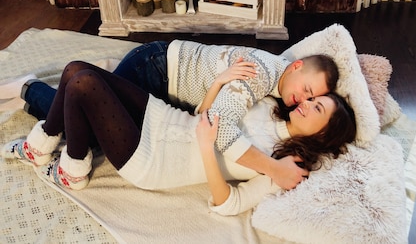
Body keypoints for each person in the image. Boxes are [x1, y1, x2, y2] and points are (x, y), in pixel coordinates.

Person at [0, 39, 339, 189]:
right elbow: (217, 127)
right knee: (86, 123)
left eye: (314, 102)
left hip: (164, 92)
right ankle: (33, 98)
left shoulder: (273, 93)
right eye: (308, 91)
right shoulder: (263, 73)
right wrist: (273, 169)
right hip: (159, 72)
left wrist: (217, 83)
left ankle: (41, 137)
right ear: (296, 65)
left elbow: (207, 118)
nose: (302, 101)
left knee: (79, 78)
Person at [195, 93, 357, 216]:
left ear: (324, 135)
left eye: (317, 108)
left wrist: (206, 146)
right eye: (312, 99)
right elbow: (208, 111)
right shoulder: (268, 103)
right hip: (174, 113)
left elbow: (229, 204)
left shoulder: (286, 166)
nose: (306, 102)